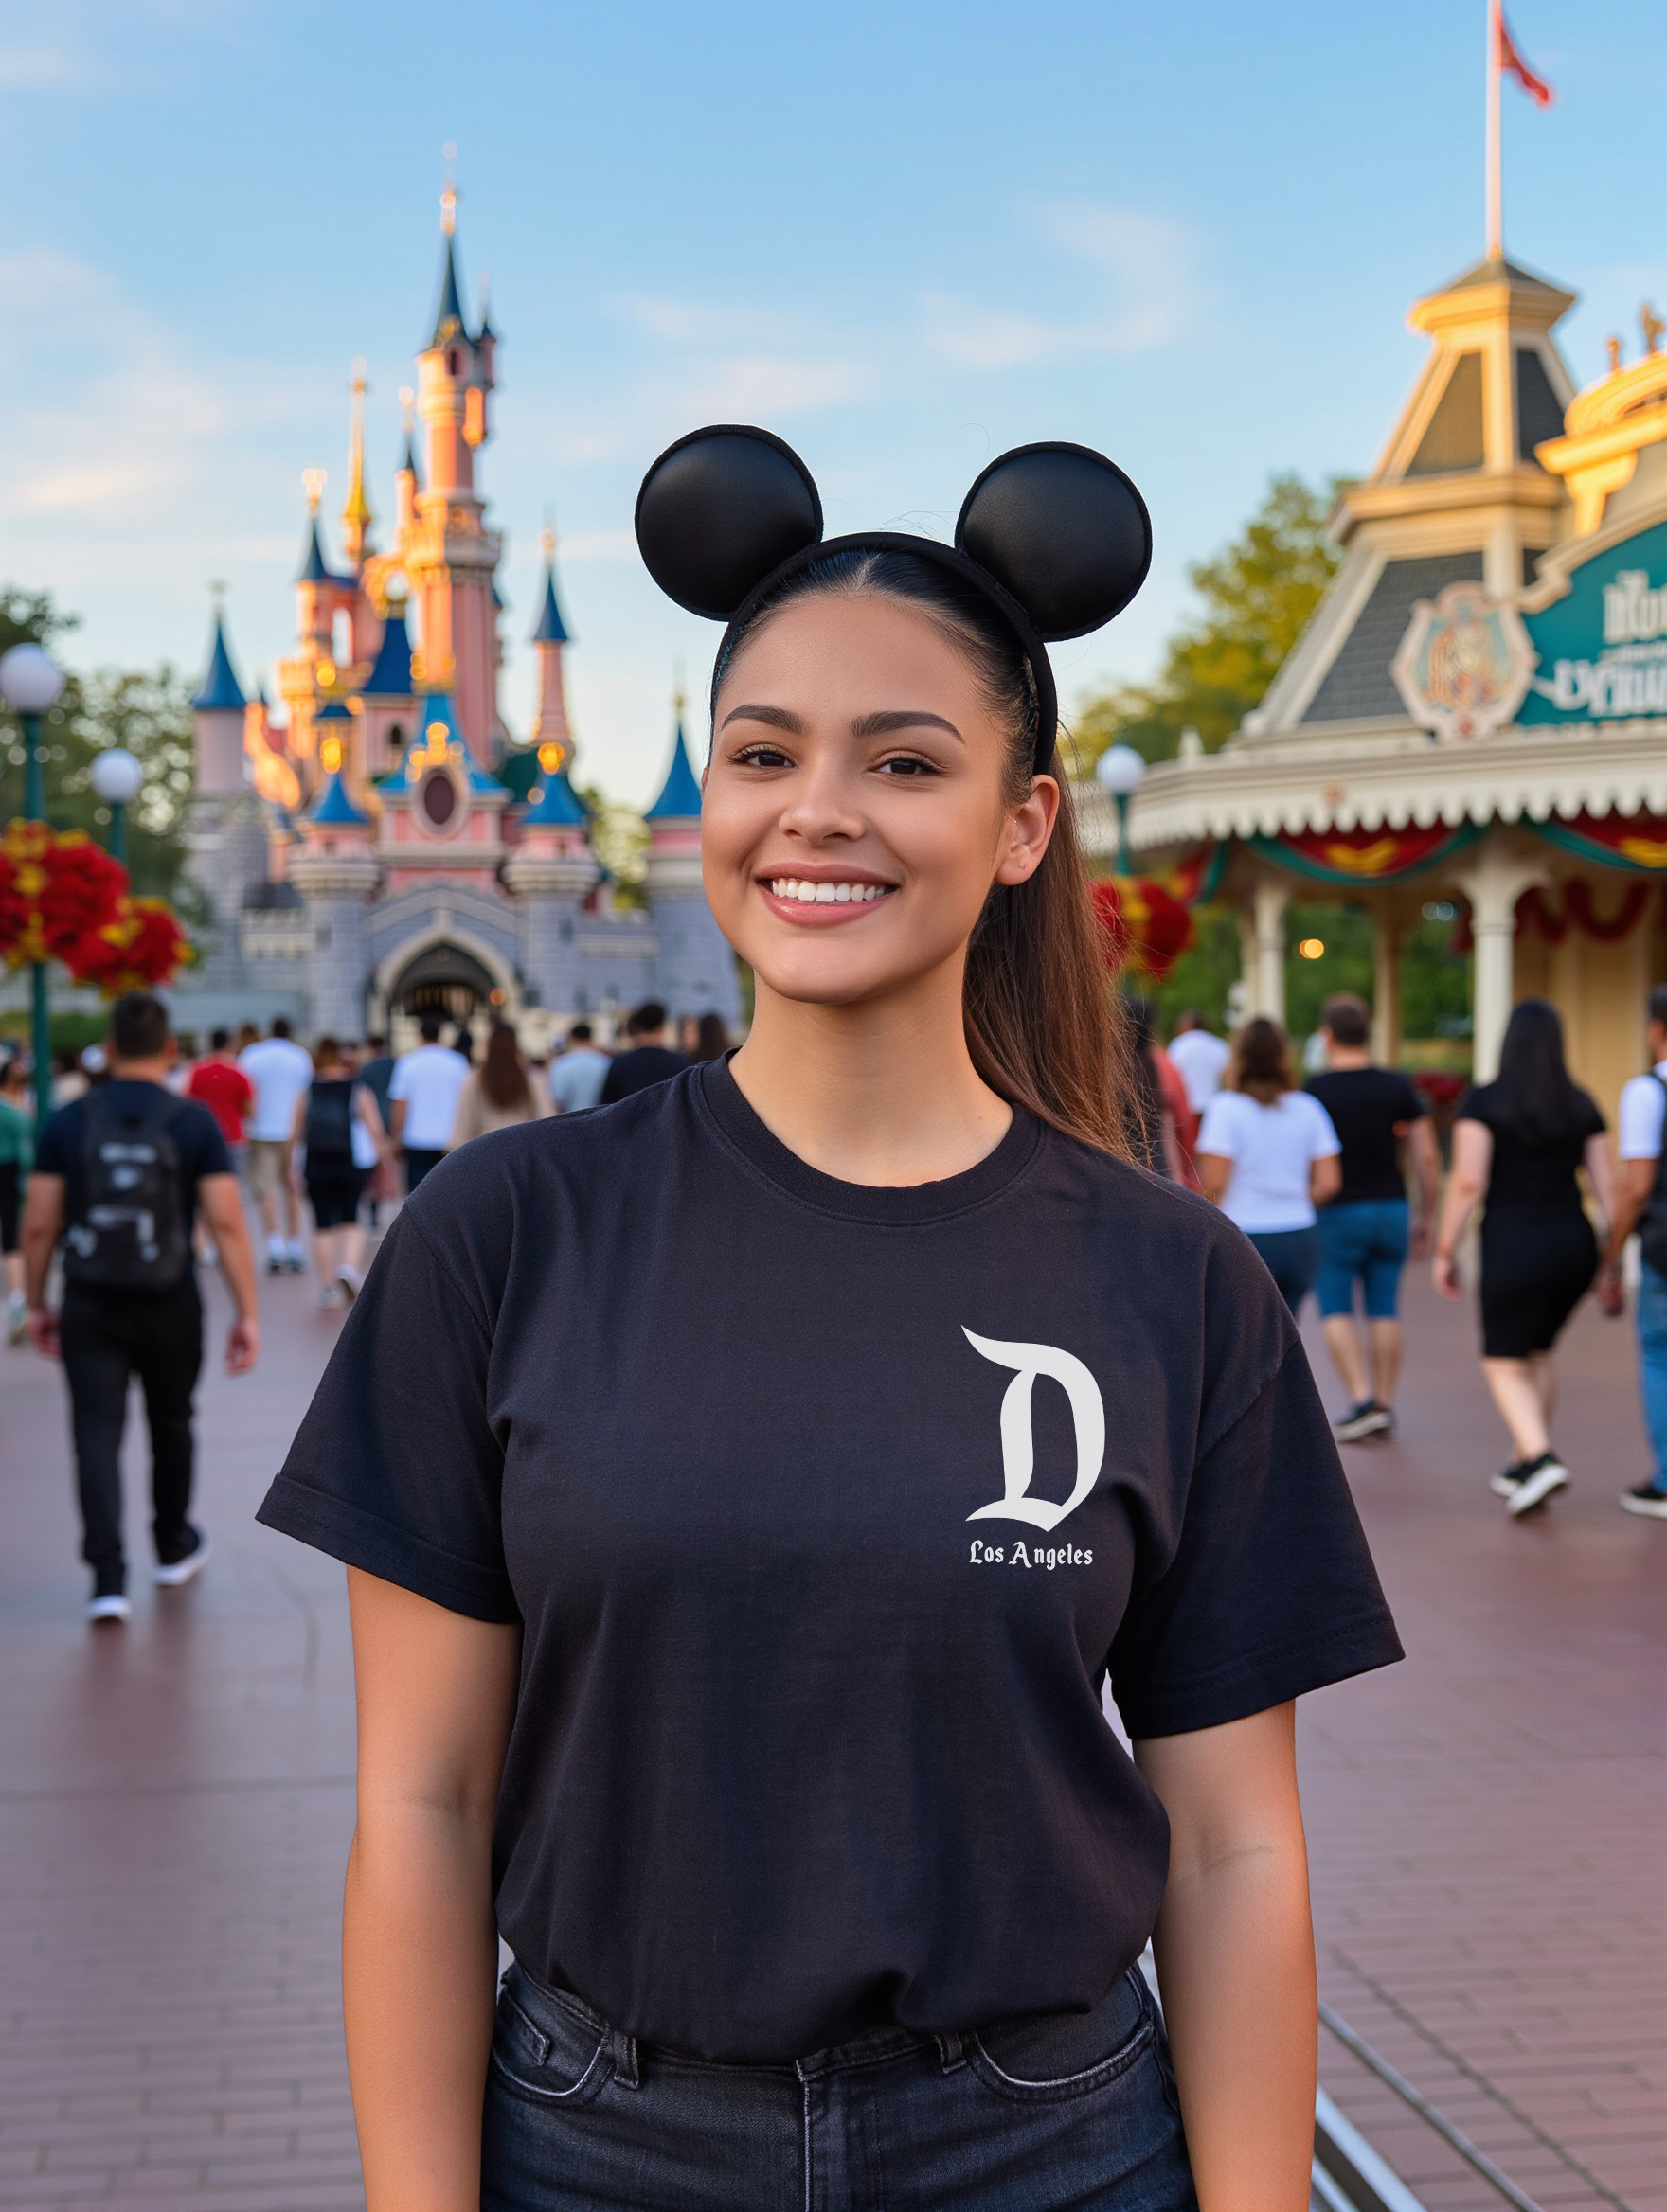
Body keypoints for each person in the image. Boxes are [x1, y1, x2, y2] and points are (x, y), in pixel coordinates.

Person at [259, 423, 1400, 2212]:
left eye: (906, 759)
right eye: (762, 750)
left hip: (1049, 2144)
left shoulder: (1172, 1281)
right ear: (702, 800)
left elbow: (1239, 1847)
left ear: (1023, 824)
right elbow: (421, 1803)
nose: (821, 810)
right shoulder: (504, 1236)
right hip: (601, 2143)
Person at [21, 991, 260, 1623]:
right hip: (169, 1296)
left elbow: (40, 1224)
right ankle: (172, 1545)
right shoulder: (193, 1123)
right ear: (170, 1049)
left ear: (111, 1043)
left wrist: (37, 1302)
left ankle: (107, 1578)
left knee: (95, 1432)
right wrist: (248, 1311)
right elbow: (228, 1224)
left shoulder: (68, 1122)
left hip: (90, 1299)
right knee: (172, 1422)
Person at [1433, 998, 1615, 1519]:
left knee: (1501, 1359)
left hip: (1513, 1243)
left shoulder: (1485, 1102)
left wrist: (1446, 1248)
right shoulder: (1582, 1103)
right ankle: (1521, 1460)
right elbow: (1608, 1188)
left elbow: (1468, 1181)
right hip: (1573, 1245)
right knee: (1536, 1351)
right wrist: (1613, 1259)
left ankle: (1538, 1456)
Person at [1306, 993, 1441, 1443]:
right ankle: (1383, 1400)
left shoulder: (1315, 1091)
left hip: (1338, 1210)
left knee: (1336, 1305)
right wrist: (1428, 1212)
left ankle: (1361, 1398)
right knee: (1385, 1305)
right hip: (1390, 1206)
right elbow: (1427, 1156)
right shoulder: (1397, 1086)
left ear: (1328, 1036)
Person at [1196, 1017, 1341, 1314]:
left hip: (1245, 1235)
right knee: (1286, 1335)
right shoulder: (1308, 1108)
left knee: (1244, 1340)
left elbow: (1215, 1184)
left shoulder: (1225, 1109)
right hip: (1299, 1235)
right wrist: (1294, 1202)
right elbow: (1329, 1182)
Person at [1597, 984, 1667, 1518]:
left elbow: (1638, 1185)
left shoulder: (1648, 1092)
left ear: (1655, 1029)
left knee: (1658, 1355)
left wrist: (1612, 1251)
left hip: (1664, 1250)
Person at [290, 1037, 379, 1307]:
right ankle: (348, 1269)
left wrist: (290, 1166)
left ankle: (329, 1288)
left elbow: (294, 1132)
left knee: (322, 1224)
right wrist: (383, 1156)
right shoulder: (356, 1087)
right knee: (352, 1219)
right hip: (349, 1160)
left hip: (315, 1161)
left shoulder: (308, 1089)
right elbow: (373, 1125)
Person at [240, 1018, 314, 1273]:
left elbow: (245, 1091)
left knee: (265, 1188)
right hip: (292, 1129)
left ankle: (274, 1244)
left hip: (261, 1128)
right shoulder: (300, 1056)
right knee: (292, 1187)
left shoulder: (252, 1055)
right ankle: (295, 1244)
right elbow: (305, 1097)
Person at [388, 1016, 471, 1191]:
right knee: (449, 1192)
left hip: (416, 1138)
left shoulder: (407, 1063)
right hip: (450, 1138)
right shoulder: (457, 1062)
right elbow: (466, 1102)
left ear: (420, 1035)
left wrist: (395, 1138)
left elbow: (400, 1104)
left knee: (417, 1195)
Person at [448, 1023, 554, 1148]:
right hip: (522, 1150)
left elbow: (463, 1124)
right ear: (516, 1045)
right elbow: (546, 1118)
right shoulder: (532, 1079)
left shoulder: (474, 1080)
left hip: (484, 1150)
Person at [185, 1027, 255, 1168]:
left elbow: (188, 1102)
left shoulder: (198, 1071)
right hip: (233, 1136)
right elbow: (250, 1110)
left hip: (204, 1137)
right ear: (228, 1045)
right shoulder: (238, 1073)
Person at [599, 1000, 690, 1103]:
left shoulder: (620, 1063)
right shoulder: (681, 1062)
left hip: (630, 1118)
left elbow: (605, 1106)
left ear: (638, 1027)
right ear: (662, 1027)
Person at [1, 1049, 32, 1345]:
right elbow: (26, 1152)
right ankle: (18, 1302)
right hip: (9, 1172)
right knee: (12, 1241)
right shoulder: (14, 1112)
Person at [1165, 1010, 1231, 1118]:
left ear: (1186, 1025)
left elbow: (1170, 1077)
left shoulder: (1178, 1044)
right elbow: (1228, 1077)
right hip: (1213, 1108)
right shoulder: (1219, 1045)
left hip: (1186, 1109)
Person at [547, 1021, 610, 1114]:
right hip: (603, 1120)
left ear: (572, 1038)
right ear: (590, 1038)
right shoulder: (606, 1063)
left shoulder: (561, 1064)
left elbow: (557, 1101)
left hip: (570, 1122)